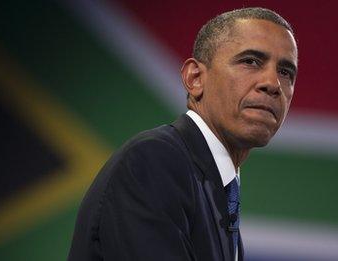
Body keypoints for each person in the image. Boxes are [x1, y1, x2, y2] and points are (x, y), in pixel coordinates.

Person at [68, 7, 298, 261]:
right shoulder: (154, 161)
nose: (273, 84)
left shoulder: (217, 190)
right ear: (195, 77)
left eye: (286, 72)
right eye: (250, 61)